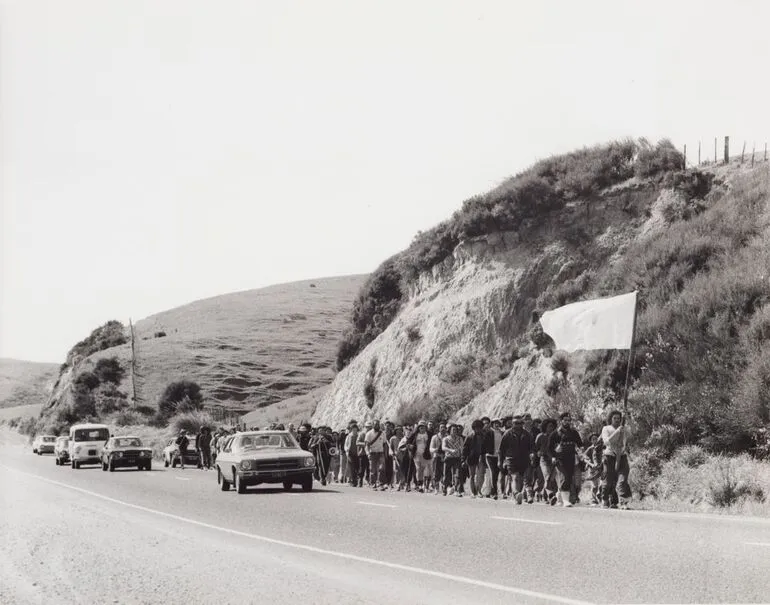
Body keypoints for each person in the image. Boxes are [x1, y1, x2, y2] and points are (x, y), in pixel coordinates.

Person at [548, 412, 583, 507]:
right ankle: (566, 501)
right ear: (561, 421)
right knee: (565, 477)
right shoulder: (555, 433)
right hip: (560, 459)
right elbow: (549, 448)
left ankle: (558, 497)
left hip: (571, 458)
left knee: (569, 478)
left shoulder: (574, 432)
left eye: (569, 420)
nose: (567, 422)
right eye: (565, 420)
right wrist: (553, 457)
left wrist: (581, 453)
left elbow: (580, 444)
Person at [600, 410, 632, 509]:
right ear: (611, 419)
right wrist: (617, 432)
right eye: (615, 418)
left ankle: (623, 502)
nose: (617, 420)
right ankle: (605, 499)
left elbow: (632, 435)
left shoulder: (624, 429)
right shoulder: (606, 428)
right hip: (609, 456)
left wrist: (629, 419)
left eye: (619, 418)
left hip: (622, 456)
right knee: (608, 481)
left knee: (622, 480)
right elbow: (606, 442)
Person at [499, 415, 534, 504]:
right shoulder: (507, 433)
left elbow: (531, 447)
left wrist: (532, 454)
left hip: (524, 459)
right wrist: (500, 461)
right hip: (511, 459)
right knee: (514, 477)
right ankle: (516, 493)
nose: (518, 425)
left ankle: (517, 496)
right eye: (515, 423)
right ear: (512, 424)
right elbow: (501, 449)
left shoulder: (527, 434)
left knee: (521, 479)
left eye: (520, 423)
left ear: (522, 424)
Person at [536, 419, 558, 505]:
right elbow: (536, 447)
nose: (551, 428)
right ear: (545, 427)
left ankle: (544, 495)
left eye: (552, 426)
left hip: (553, 460)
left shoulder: (556, 436)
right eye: (549, 426)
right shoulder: (540, 436)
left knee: (552, 479)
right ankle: (551, 495)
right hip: (544, 460)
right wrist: (537, 453)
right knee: (547, 476)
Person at [407, 420, 433, 493]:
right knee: (418, 469)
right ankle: (420, 485)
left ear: (425, 427)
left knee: (425, 469)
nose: (422, 428)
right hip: (417, 454)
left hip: (426, 454)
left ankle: (426, 485)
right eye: (420, 427)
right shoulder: (415, 434)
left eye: (423, 427)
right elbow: (408, 442)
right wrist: (410, 446)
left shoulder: (429, 434)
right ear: (418, 428)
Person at [483, 418, 504, 500]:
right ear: (492, 424)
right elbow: (484, 444)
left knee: (497, 474)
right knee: (493, 473)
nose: (497, 424)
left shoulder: (502, 433)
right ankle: (494, 492)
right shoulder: (489, 432)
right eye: (495, 423)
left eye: (498, 423)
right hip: (490, 456)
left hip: (499, 456)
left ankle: (493, 491)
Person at [365, 420, 387, 490]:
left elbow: (385, 444)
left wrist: (385, 453)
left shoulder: (383, 433)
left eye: (378, 424)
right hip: (372, 453)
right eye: (375, 424)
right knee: (373, 470)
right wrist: (368, 453)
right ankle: (373, 483)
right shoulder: (369, 434)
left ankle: (381, 484)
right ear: (373, 425)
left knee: (382, 468)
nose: (377, 426)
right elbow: (367, 445)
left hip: (380, 453)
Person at [442, 424, 463, 496]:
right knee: (446, 474)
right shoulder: (446, 439)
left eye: (455, 430)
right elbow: (443, 447)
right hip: (448, 458)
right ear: (450, 430)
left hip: (457, 458)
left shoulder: (460, 438)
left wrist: (462, 454)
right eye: (453, 430)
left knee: (457, 474)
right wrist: (450, 450)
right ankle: (444, 488)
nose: (454, 431)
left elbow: (462, 447)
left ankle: (457, 490)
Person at [430, 423, 447, 494]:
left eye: (444, 427)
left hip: (446, 457)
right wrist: (435, 450)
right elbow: (430, 448)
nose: (443, 429)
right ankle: (436, 488)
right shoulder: (435, 437)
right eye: (441, 427)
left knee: (445, 473)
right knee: (436, 473)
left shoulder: (447, 437)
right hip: (437, 456)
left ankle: (444, 488)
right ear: (439, 429)